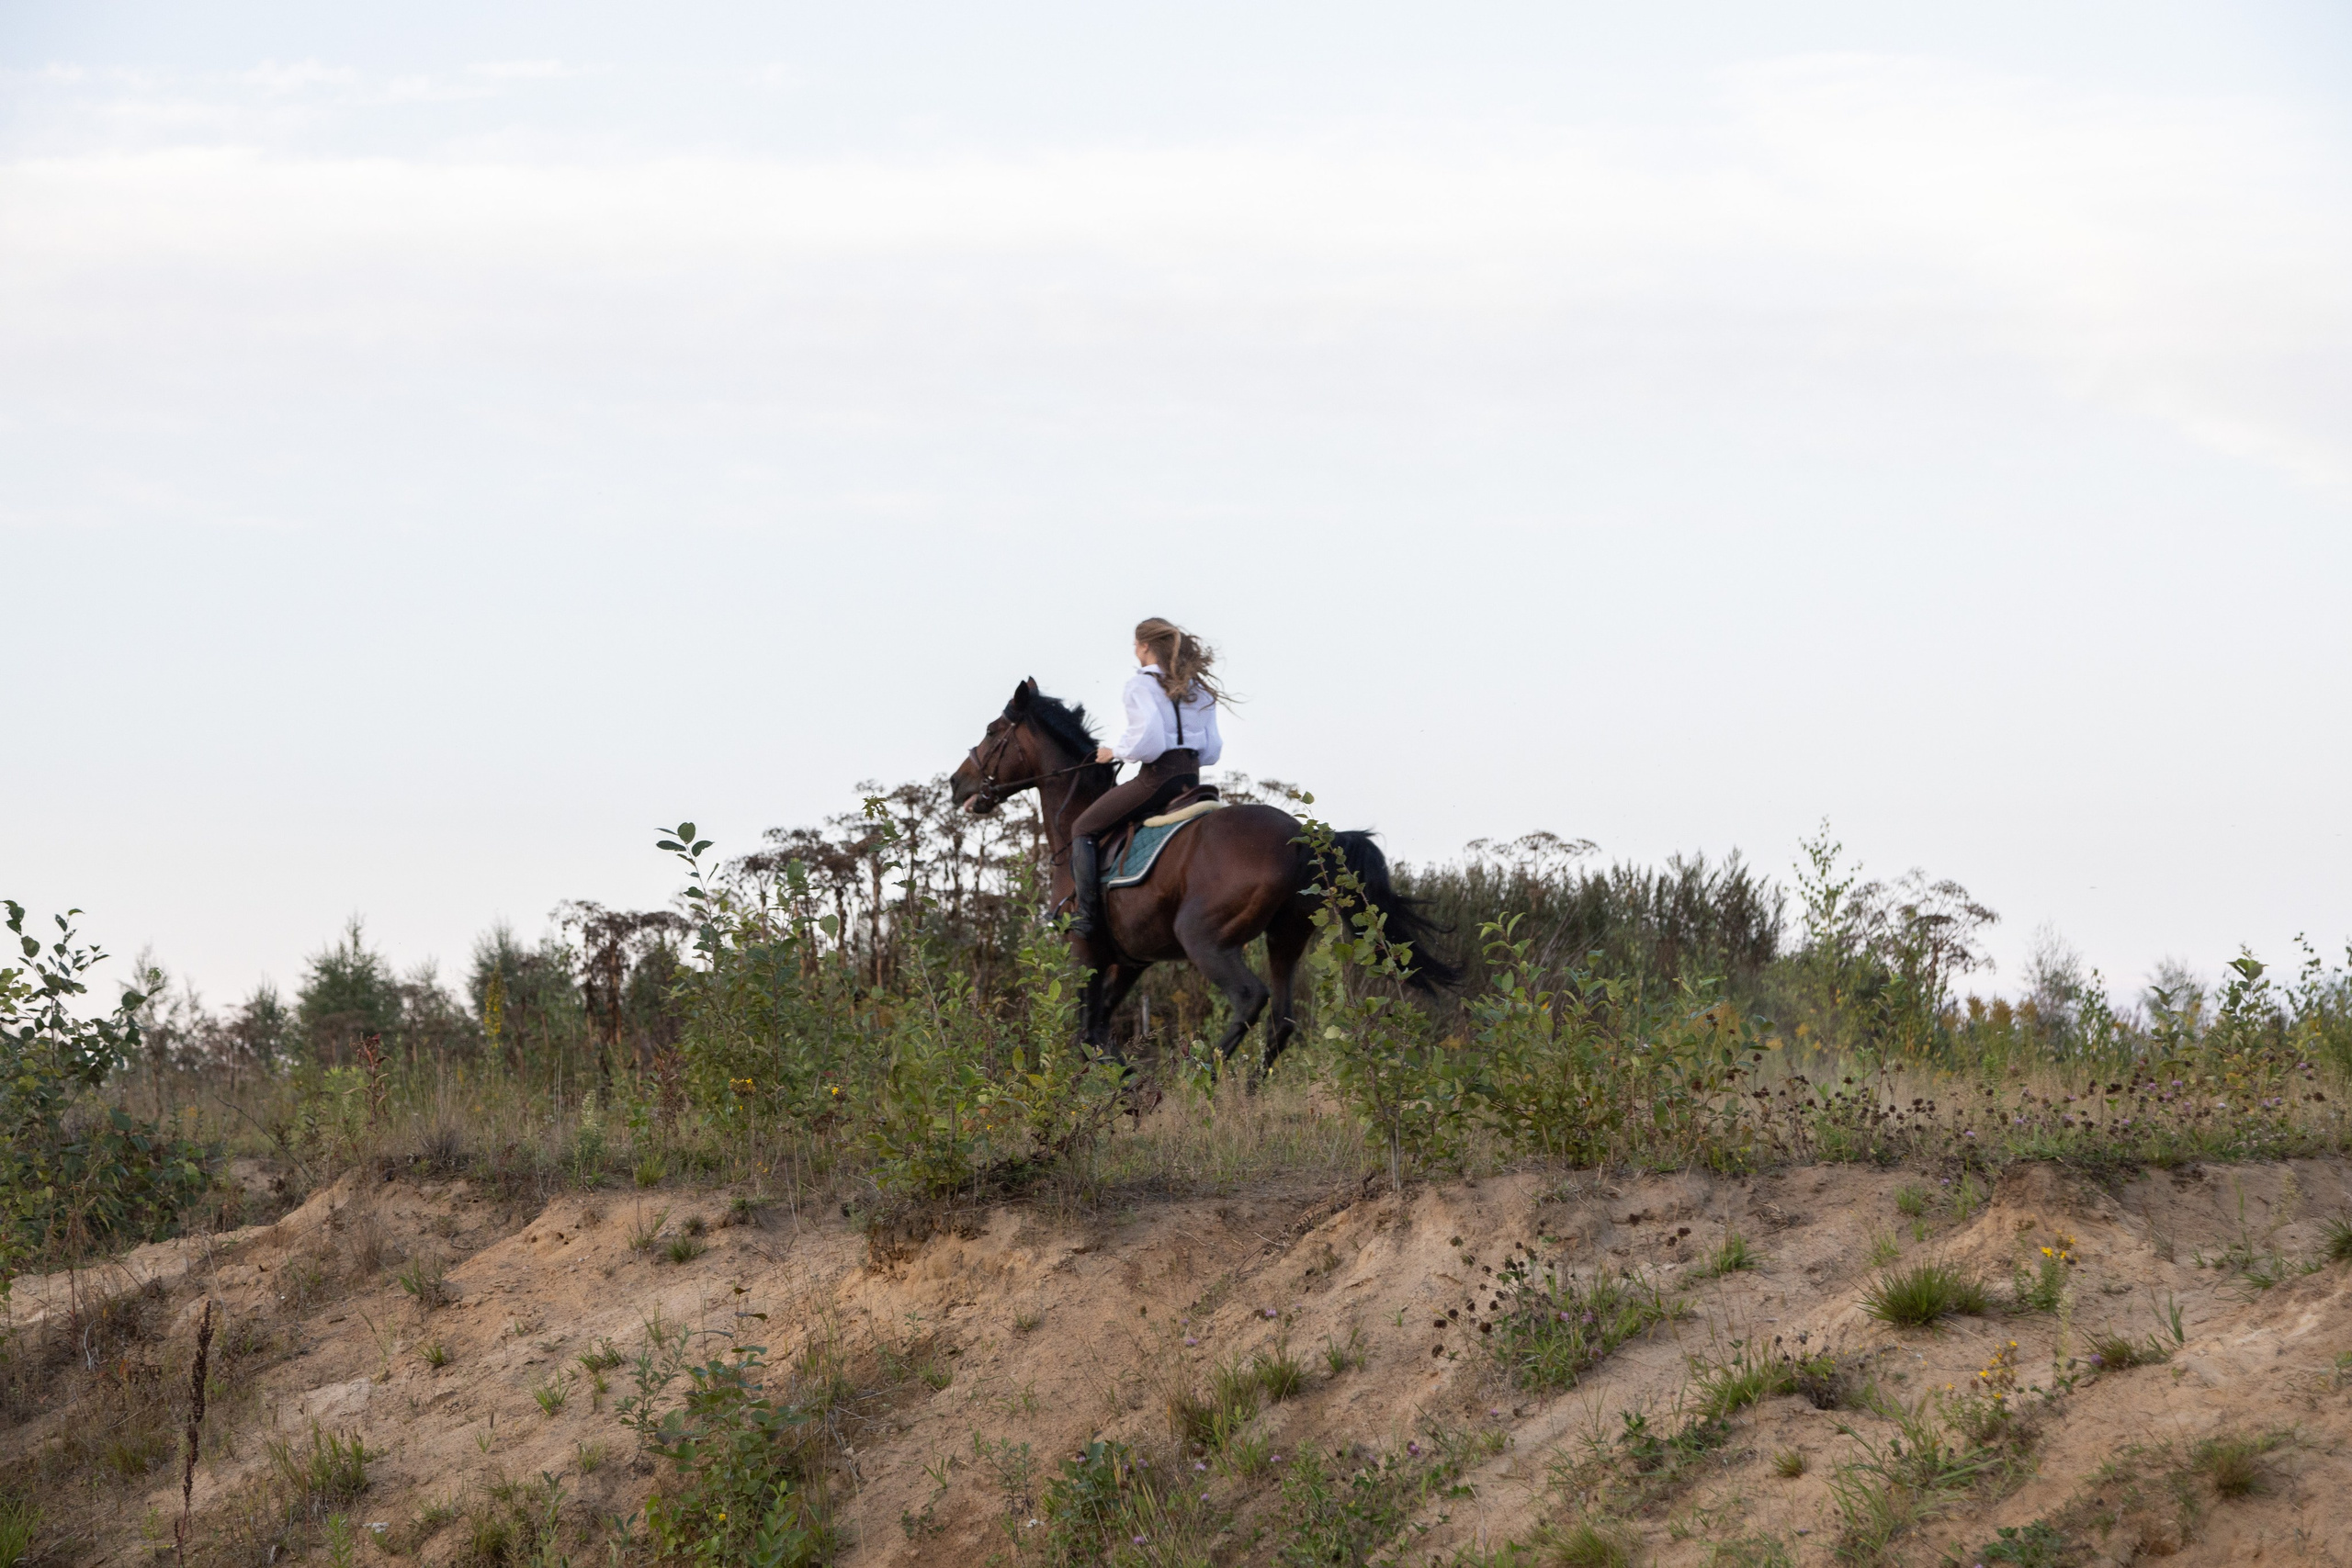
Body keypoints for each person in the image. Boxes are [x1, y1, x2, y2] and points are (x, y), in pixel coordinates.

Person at [1068, 618, 1226, 941]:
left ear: (1144, 646)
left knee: (1081, 828)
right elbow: (1212, 749)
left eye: (1135, 645)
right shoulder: (1197, 687)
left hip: (1158, 778)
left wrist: (1116, 752)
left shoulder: (1140, 685)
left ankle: (1086, 917)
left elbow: (1149, 737)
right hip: (1193, 778)